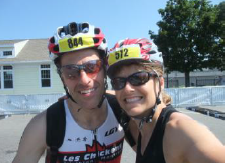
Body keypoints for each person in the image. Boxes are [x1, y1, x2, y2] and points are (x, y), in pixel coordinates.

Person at [13, 22, 135, 163]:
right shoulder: (43, 125)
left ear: (104, 69)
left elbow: (152, 152)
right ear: (62, 77)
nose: (84, 80)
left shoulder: (122, 109)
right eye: (71, 71)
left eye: (92, 67)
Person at [107, 38, 225, 163]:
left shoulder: (179, 130)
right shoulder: (143, 127)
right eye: (118, 81)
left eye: (138, 78)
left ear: (160, 83)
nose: (127, 88)